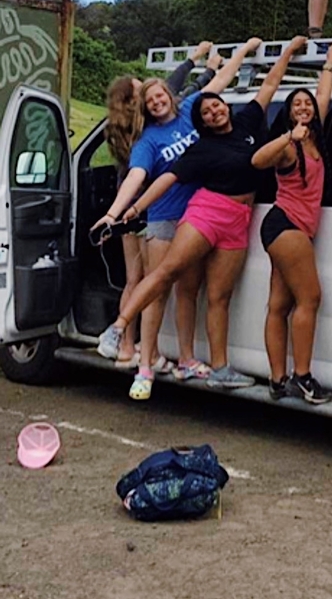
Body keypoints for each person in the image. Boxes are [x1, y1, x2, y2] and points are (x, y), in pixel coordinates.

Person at [98, 36, 308, 400]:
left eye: (217, 106)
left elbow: (268, 84)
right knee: (162, 277)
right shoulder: (194, 147)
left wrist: (287, 51)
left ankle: (214, 366)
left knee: (214, 295)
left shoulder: (244, 123)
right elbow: (157, 179)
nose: (213, 111)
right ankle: (120, 332)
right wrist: (125, 212)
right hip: (202, 213)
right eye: (206, 112)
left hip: (239, 219)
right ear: (200, 120)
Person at [102, 42, 218, 368]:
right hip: (147, 208)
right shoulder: (147, 129)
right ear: (134, 102)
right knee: (150, 281)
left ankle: (128, 346)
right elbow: (178, 89)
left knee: (136, 280)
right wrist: (202, 65)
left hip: (133, 209)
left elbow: (176, 90)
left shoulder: (122, 128)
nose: (150, 95)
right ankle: (139, 349)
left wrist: (200, 64)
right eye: (142, 93)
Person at [251, 42, 332, 404]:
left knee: (279, 304)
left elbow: (323, 93)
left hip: (292, 229)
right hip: (285, 224)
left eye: (307, 104)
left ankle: (277, 380)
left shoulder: (315, 137)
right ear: (288, 113)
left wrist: (330, 61)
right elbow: (257, 160)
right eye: (296, 104)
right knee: (310, 298)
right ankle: (302, 377)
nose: (304, 107)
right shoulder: (290, 144)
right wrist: (289, 136)